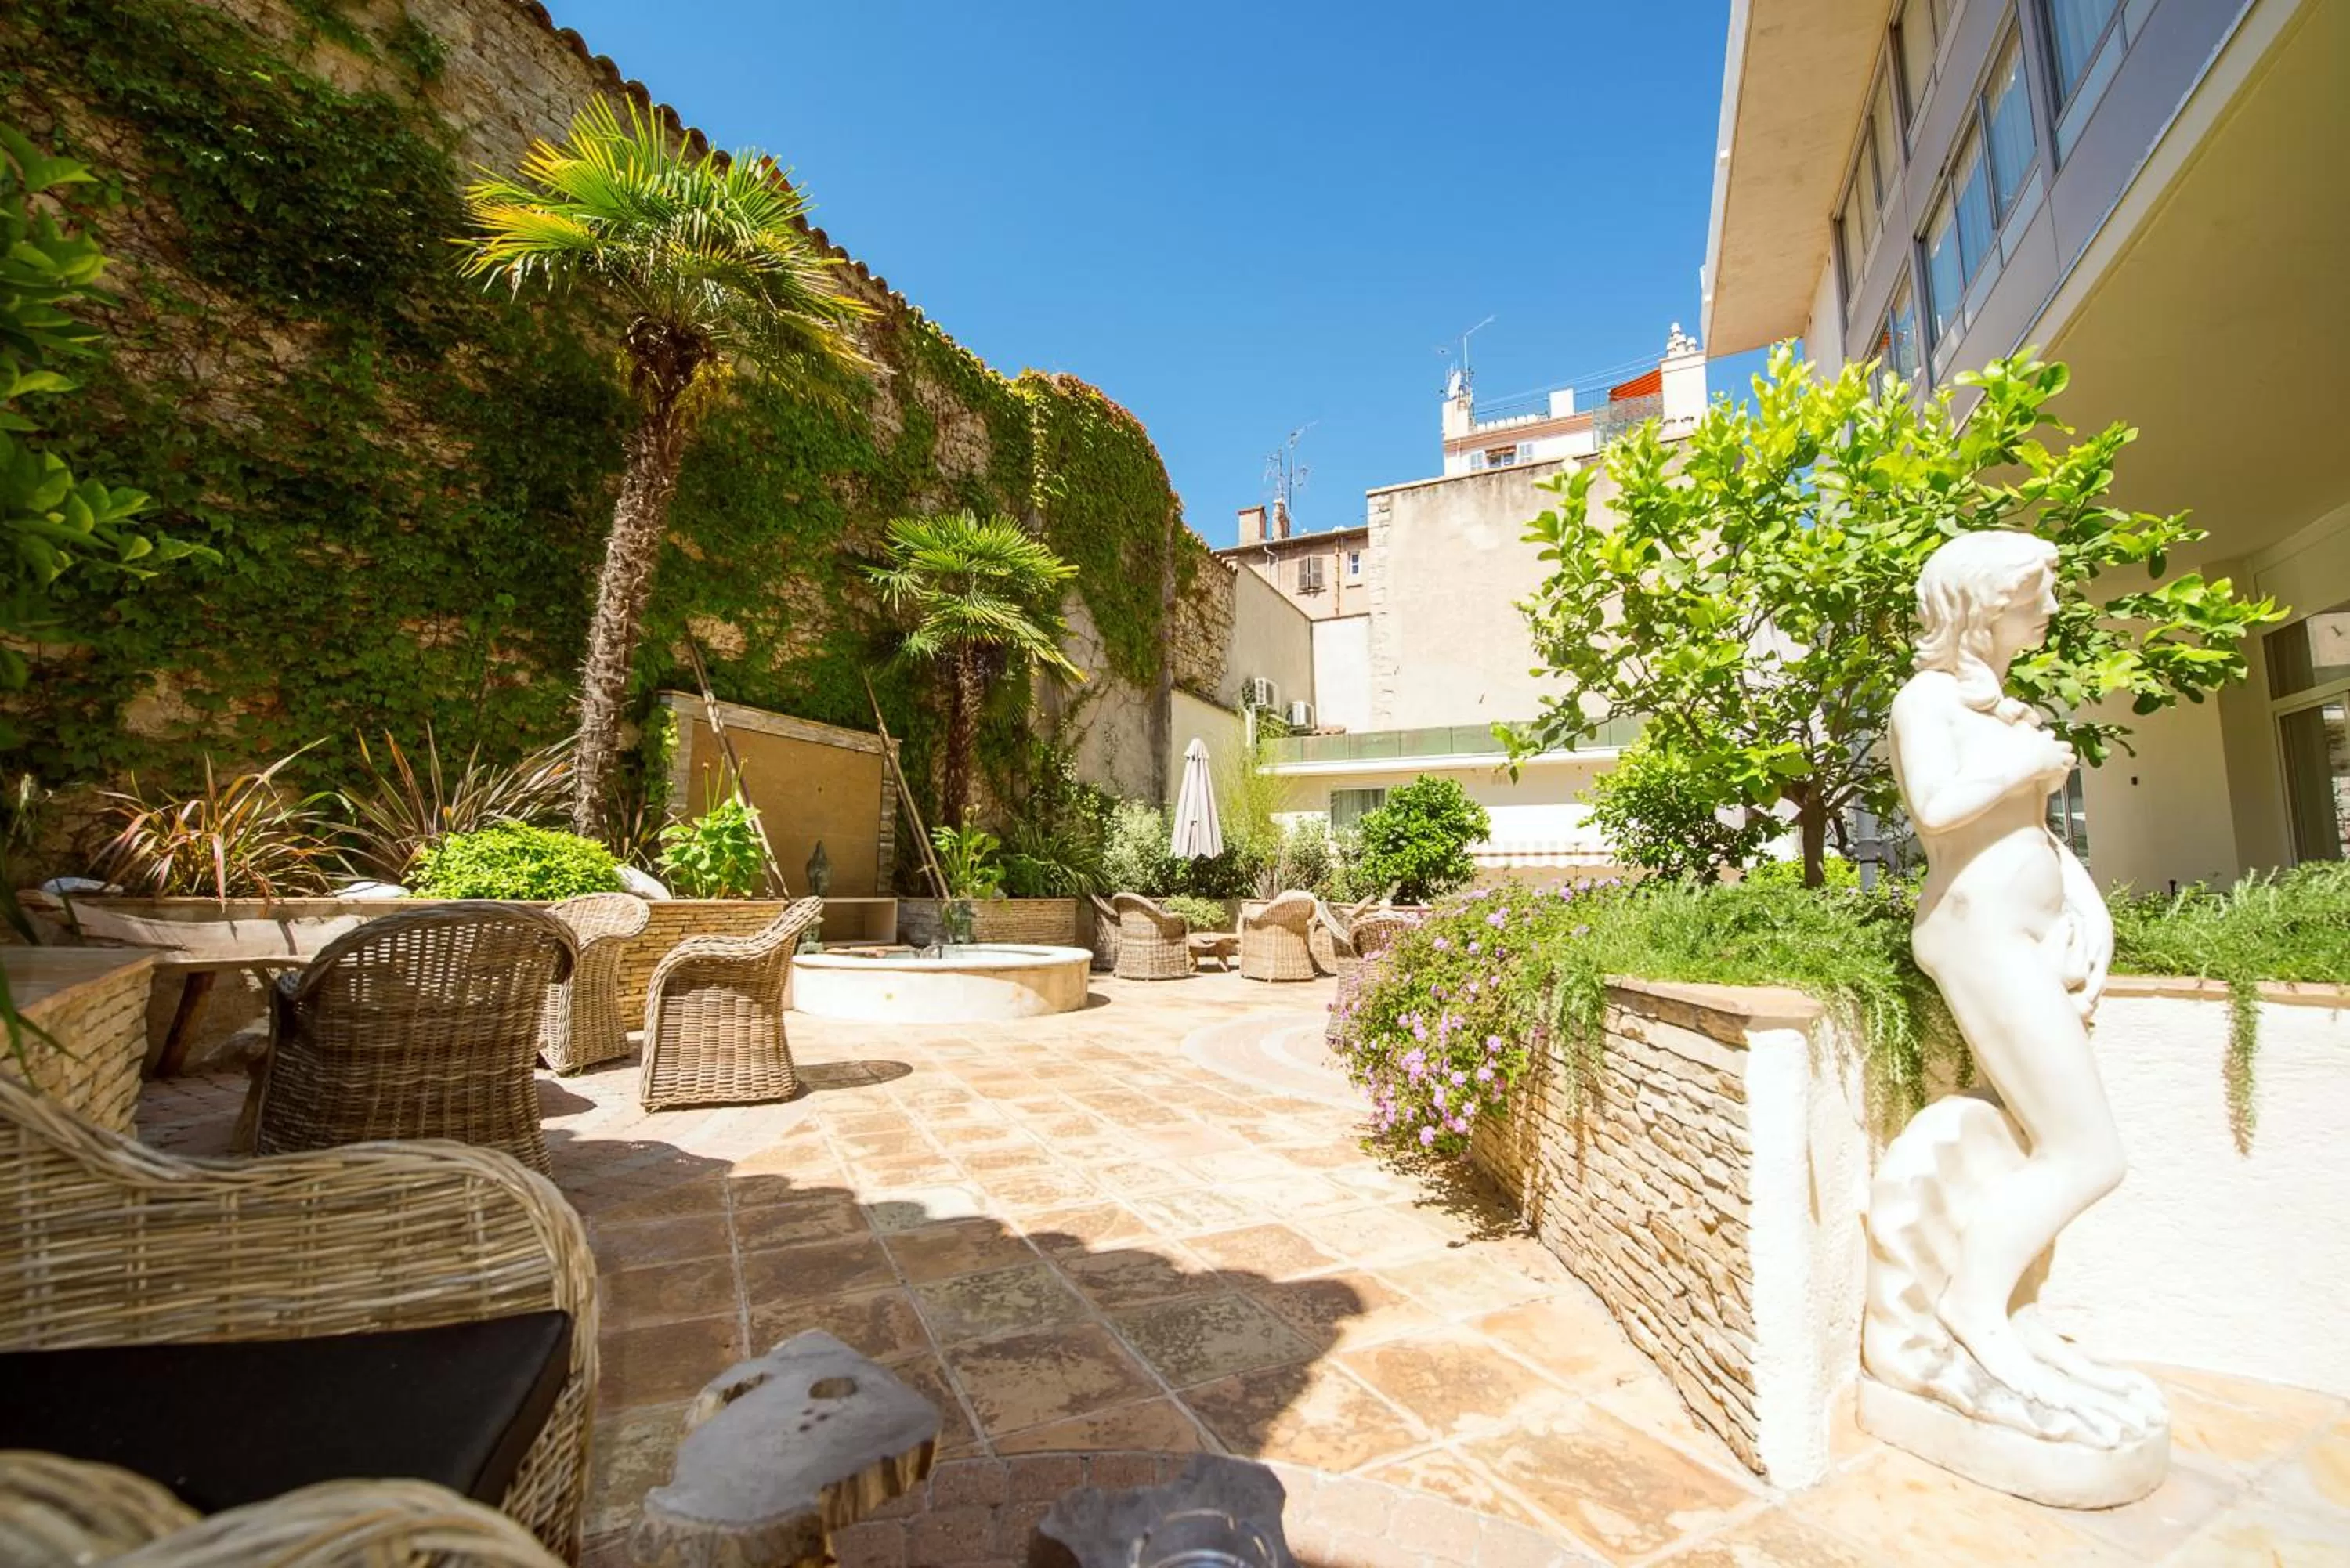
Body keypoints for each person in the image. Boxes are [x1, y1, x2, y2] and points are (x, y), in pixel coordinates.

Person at [1887, 529, 2160, 1441]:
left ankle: (2015, 1313)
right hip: (1979, 937)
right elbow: (1935, 807)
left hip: (2028, 936)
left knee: (2042, 1142)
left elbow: (2037, 839)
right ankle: (1971, 1310)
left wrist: (2090, 918)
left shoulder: (2006, 708)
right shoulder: (1927, 700)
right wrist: (2029, 764)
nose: (2051, 606)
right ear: (1984, 603)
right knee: (2089, 1153)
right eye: (2037, 592)